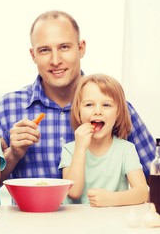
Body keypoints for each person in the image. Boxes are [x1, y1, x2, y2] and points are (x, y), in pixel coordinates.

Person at [0, 10, 155, 184]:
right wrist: (13, 154)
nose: (56, 60)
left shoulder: (115, 109)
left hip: (102, 211)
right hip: (33, 212)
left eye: (64, 47)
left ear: (81, 48)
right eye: (44, 50)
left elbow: (155, 173)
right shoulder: (6, 109)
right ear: (33, 55)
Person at [58, 74, 148, 206]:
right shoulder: (70, 150)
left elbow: (142, 192)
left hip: (112, 222)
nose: (97, 111)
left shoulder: (126, 150)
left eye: (106, 105)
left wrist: (112, 199)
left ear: (118, 113)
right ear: (78, 112)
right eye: (89, 104)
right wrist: (80, 148)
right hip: (75, 222)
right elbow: (73, 192)